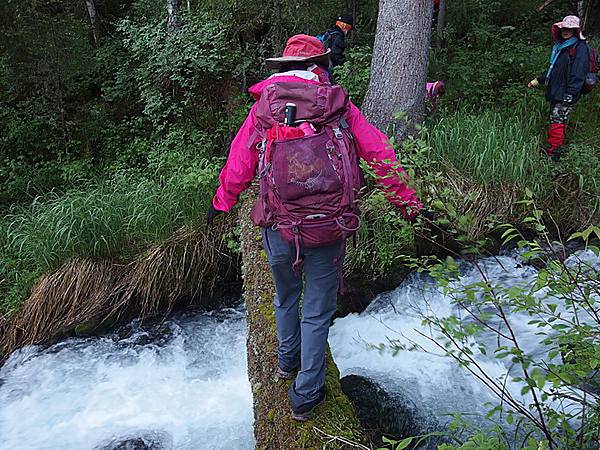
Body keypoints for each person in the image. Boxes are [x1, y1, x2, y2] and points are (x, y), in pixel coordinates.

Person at [206, 35, 423, 421]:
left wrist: (221, 201)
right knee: (318, 308)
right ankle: (306, 394)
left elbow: (239, 160)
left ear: (283, 66)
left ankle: (286, 362)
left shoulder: (264, 107)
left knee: (285, 294)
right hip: (328, 224)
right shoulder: (337, 105)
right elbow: (379, 153)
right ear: (319, 64)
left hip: (279, 222)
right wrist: (406, 202)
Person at [528, 15, 589, 160]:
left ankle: (554, 154)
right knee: (557, 120)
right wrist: (538, 80)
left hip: (565, 92)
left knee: (557, 121)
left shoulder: (579, 48)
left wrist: (570, 94)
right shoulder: (562, 47)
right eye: (564, 28)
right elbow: (554, 70)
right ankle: (555, 150)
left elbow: (578, 73)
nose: (566, 31)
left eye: (570, 28)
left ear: (575, 30)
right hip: (557, 91)